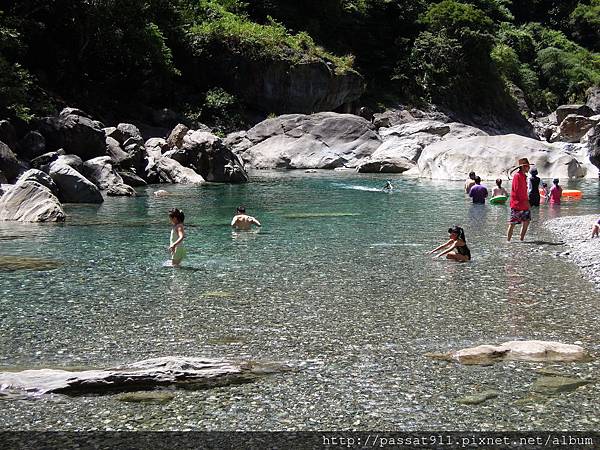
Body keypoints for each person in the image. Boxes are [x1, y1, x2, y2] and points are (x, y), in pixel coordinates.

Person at [507, 158, 532, 242]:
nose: (529, 168)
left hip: (523, 203)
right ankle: (508, 241)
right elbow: (517, 190)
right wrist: (526, 201)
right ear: (524, 166)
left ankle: (521, 240)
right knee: (512, 223)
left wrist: (526, 201)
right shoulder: (517, 176)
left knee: (526, 222)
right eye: (528, 166)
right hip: (518, 204)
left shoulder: (523, 176)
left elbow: (523, 190)